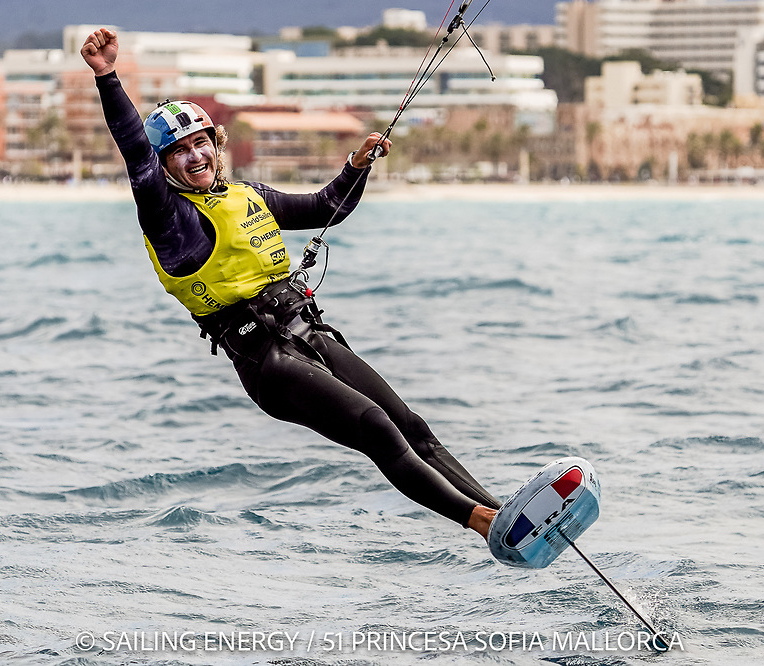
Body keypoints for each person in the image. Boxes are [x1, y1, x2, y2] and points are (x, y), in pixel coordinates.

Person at [81, 28, 500, 539]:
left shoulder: (246, 196)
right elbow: (135, 152)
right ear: (164, 165)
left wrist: (355, 167)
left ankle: (503, 514)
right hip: (269, 363)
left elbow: (327, 208)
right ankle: (483, 524)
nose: (195, 157)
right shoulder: (170, 221)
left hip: (309, 336)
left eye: (201, 143)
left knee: (412, 427)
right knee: (377, 428)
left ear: (216, 145)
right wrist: (108, 76)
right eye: (179, 151)